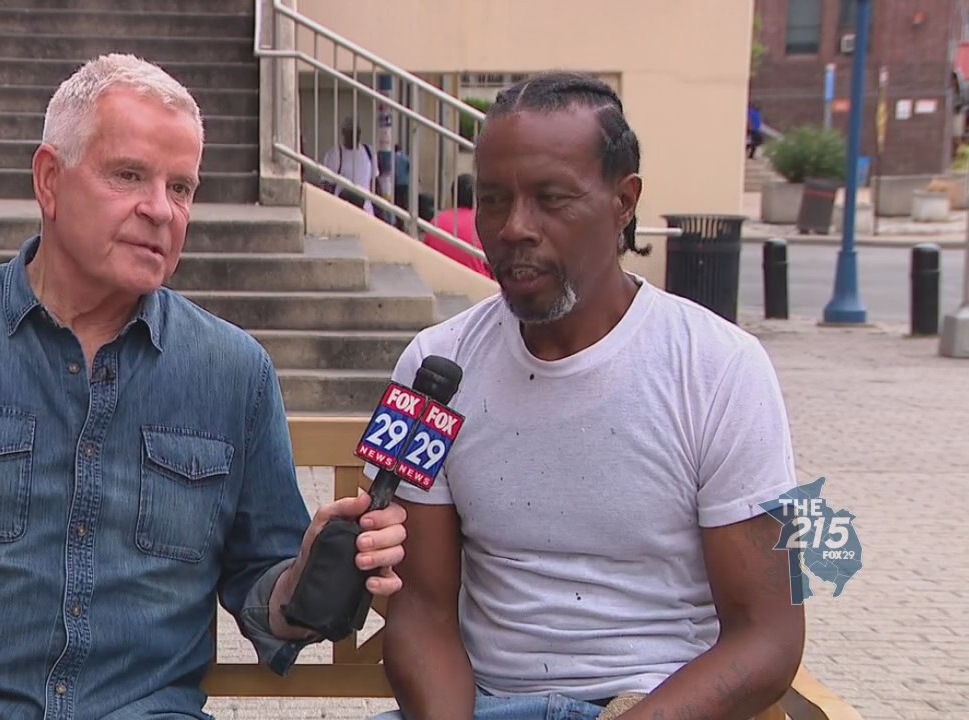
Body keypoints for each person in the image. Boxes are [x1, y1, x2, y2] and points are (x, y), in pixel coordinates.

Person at [0, 53, 409, 720]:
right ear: (50, 181)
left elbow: (263, 587)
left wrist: (311, 578)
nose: (160, 211)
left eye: (181, 188)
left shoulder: (233, 371)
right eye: (129, 176)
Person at [373, 72, 804, 720]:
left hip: (653, 705)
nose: (514, 227)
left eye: (551, 199)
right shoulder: (430, 368)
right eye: (492, 199)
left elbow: (769, 636)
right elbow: (421, 609)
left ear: (622, 202)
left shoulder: (722, 369)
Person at [423, 174, 493, 278]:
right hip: (478, 283)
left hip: (438, 279)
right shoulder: (483, 223)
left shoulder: (436, 222)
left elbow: (426, 258)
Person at [320, 115, 379, 213]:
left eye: (356, 132)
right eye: (350, 132)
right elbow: (326, 185)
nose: (353, 136)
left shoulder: (369, 152)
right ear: (343, 133)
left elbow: (375, 183)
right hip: (342, 210)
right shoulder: (335, 154)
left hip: (366, 211)